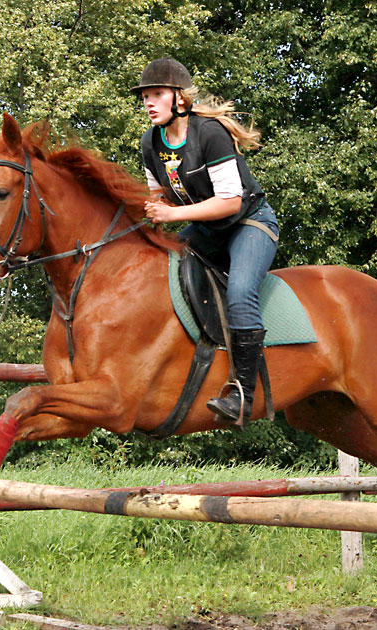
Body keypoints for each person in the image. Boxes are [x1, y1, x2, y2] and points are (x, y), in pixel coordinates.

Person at [131, 57, 279, 426]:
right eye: (145, 96)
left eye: (157, 94)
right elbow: (160, 197)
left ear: (179, 99)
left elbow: (230, 202)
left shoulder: (209, 133)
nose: (149, 102)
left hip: (248, 224)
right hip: (205, 230)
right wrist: (151, 211)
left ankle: (243, 396)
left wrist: (172, 215)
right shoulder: (150, 143)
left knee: (241, 293)